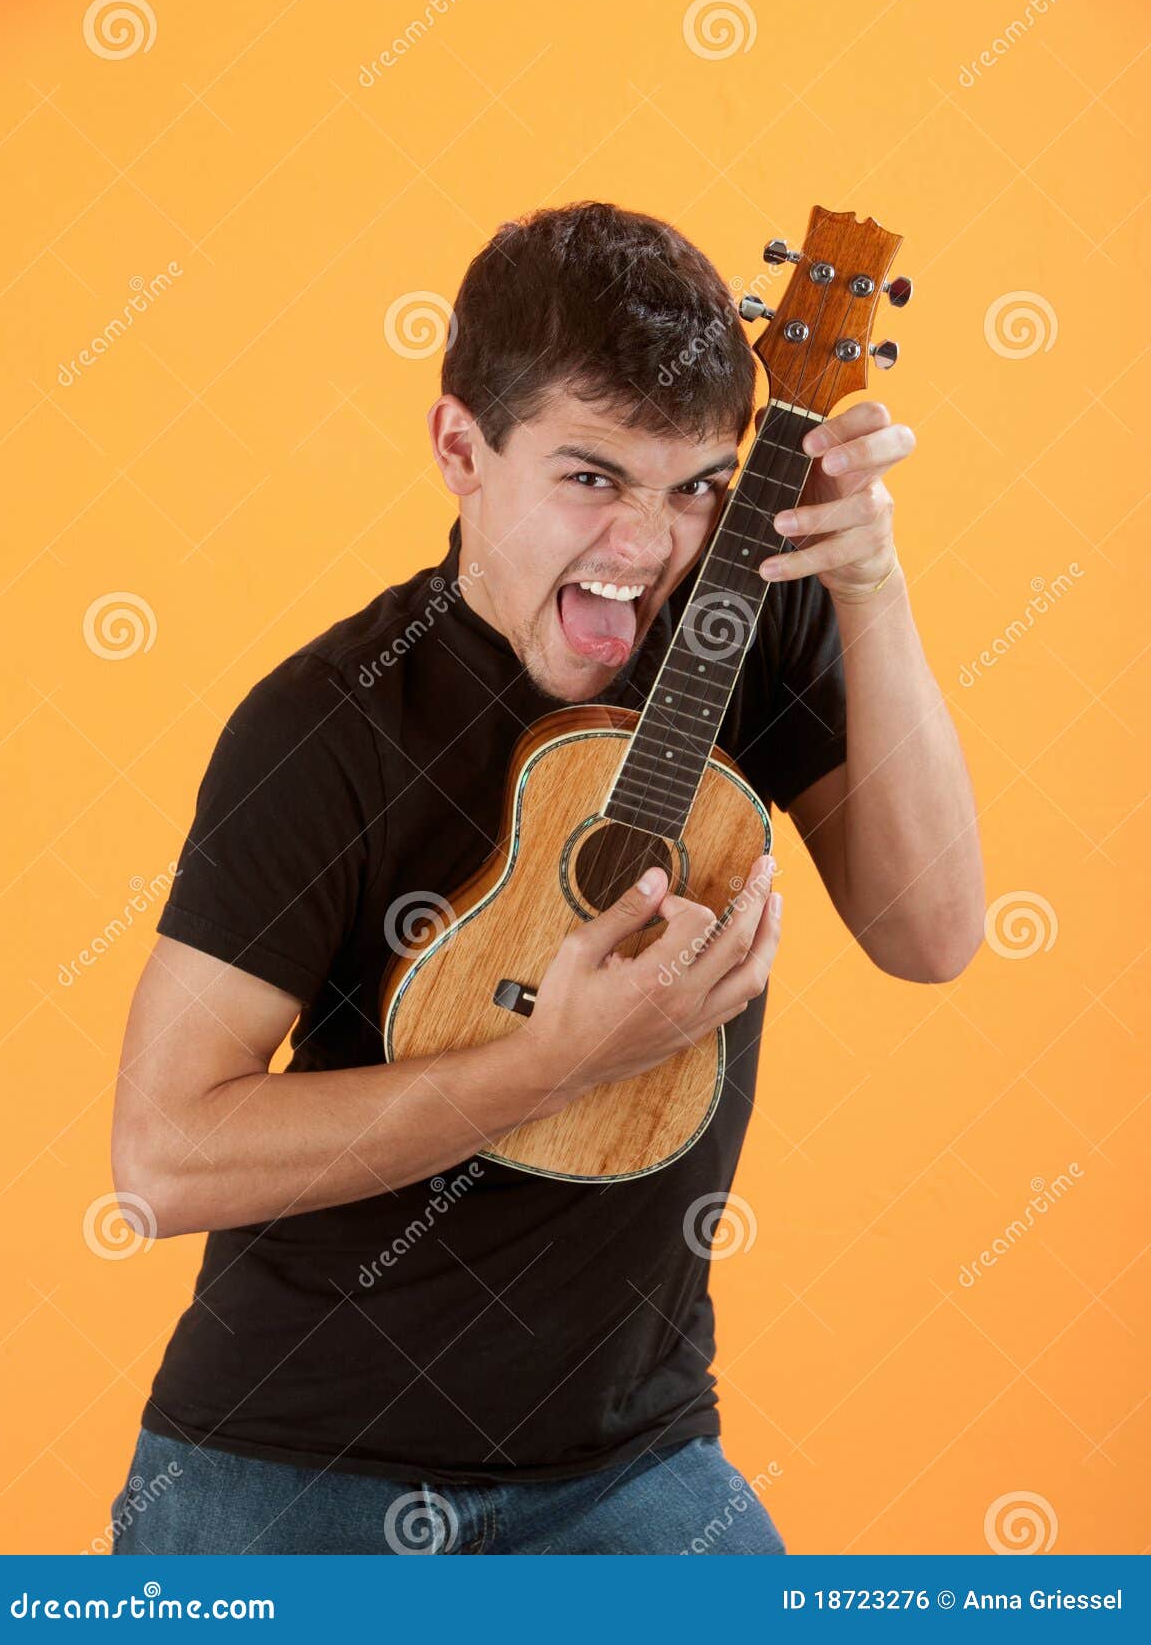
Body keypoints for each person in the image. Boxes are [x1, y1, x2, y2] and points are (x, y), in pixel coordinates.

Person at [108, 201, 982, 1556]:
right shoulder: (328, 725)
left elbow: (932, 935)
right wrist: (550, 1065)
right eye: (592, 478)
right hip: (288, 1474)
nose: (644, 549)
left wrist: (871, 580)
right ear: (462, 446)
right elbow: (160, 1159)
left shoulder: (747, 619)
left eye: (695, 484)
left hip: (624, 1473)